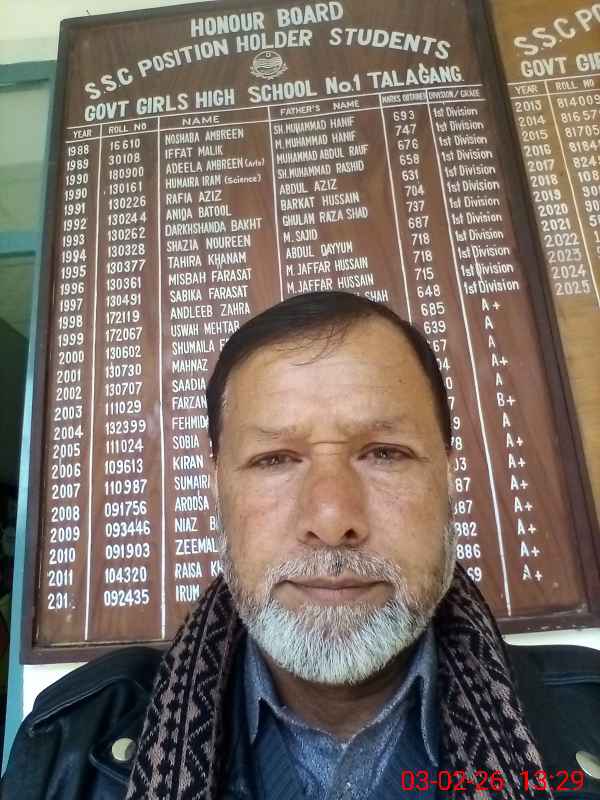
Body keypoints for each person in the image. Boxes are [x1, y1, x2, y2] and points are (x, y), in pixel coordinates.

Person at [3, 291, 600, 800]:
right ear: (217, 487)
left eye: (384, 454)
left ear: (447, 474)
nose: (332, 519)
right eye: (275, 460)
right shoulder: (69, 748)